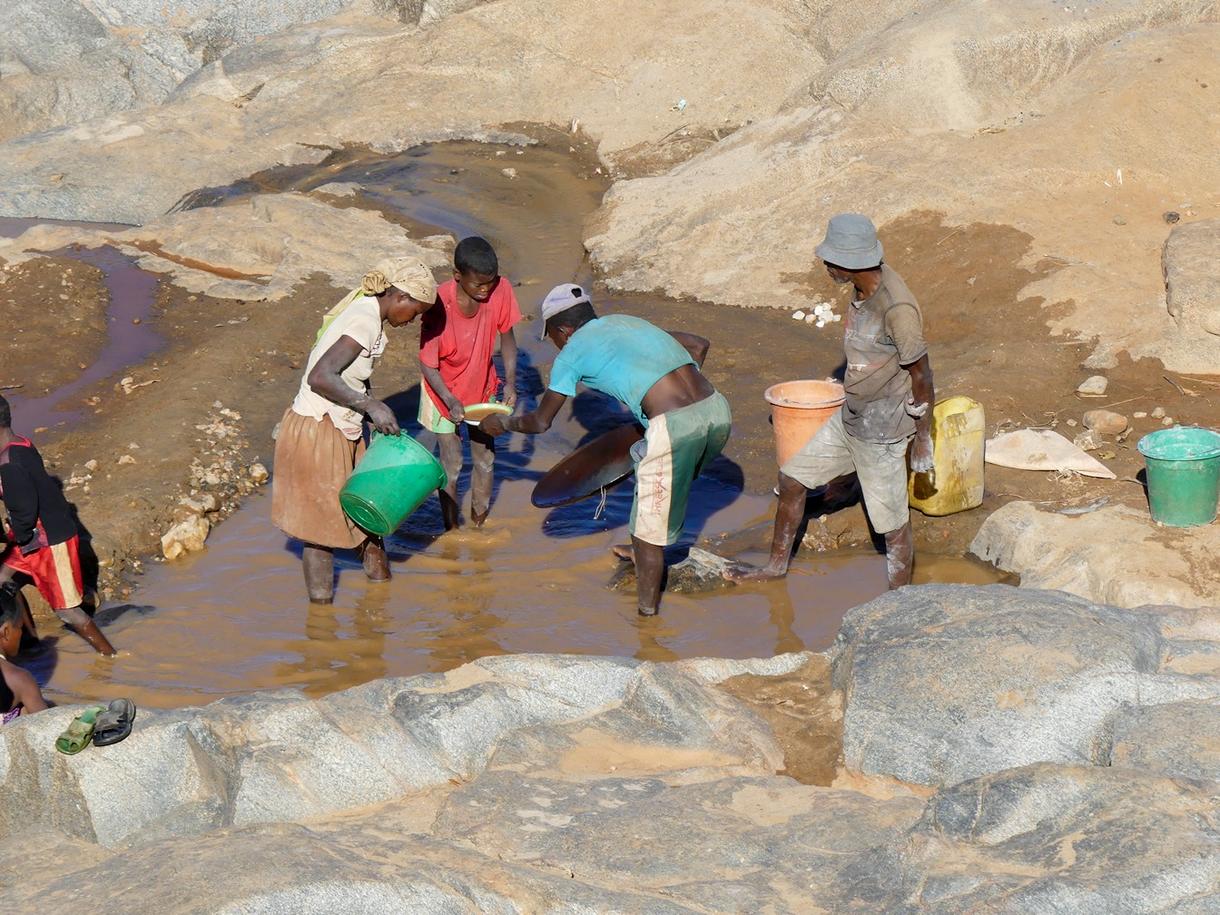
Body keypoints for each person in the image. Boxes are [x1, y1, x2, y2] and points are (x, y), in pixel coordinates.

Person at [480, 284, 731, 616]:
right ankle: (642, 545)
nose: (556, 344)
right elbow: (699, 345)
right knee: (652, 474)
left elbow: (541, 423)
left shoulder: (571, 352)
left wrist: (502, 425)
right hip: (717, 411)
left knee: (648, 529)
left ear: (563, 331)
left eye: (553, 337)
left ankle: (647, 621)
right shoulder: (625, 322)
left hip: (675, 427)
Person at [728, 213, 934, 589]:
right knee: (792, 479)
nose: (825, 266)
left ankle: (900, 603)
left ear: (850, 263)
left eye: (830, 260)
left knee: (891, 525)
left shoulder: (897, 310)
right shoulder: (862, 290)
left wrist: (922, 439)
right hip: (851, 415)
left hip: (883, 428)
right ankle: (776, 567)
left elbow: (922, 373)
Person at [272, 257, 437, 604]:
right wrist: (370, 407)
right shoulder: (363, 320)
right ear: (399, 297)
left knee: (368, 512)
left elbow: (353, 375)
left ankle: (380, 599)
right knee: (318, 533)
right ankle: (321, 621)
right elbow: (321, 377)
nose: (415, 319)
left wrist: (369, 409)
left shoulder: (370, 316)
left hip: (342, 426)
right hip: (318, 429)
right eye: (416, 311)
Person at [418, 237, 521, 528]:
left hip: (482, 388)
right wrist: (449, 399)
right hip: (442, 393)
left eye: (490, 282)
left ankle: (478, 524)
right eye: (478, 284)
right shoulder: (438, 305)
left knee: (485, 460)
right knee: (451, 465)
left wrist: (510, 383)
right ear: (458, 277)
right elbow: (428, 364)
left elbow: (508, 338)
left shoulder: (500, 290)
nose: (486, 290)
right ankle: (450, 529)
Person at [0, 396, 116, 655]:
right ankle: (28, 642)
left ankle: (108, 656)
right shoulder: (20, 445)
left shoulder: (9, 465)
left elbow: (24, 515)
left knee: (66, 611)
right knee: (1, 577)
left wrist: (11, 536)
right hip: (31, 536)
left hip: (48, 542)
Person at [0, 582, 48, 723]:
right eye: (20, 627)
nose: (21, 633)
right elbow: (46, 725)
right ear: (6, 632)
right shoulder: (19, 678)